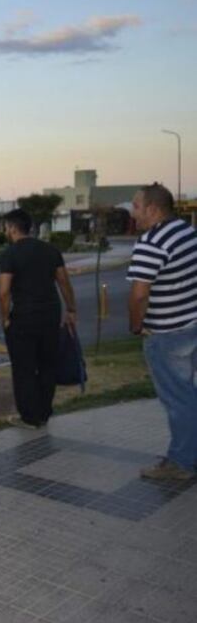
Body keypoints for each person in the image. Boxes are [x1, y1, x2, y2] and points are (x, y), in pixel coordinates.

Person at [127, 183, 197, 480]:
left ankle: (182, 463)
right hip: (191, 324)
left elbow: (139, 294)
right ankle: (187, 452)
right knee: (188, 394)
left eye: (137, 207)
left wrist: (136, 325)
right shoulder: (186, 232)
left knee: (179, 399)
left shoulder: (151, 243)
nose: (133, 213)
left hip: (168, 334)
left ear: (153, 209)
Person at [0, 208, 76, 429]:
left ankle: (29, 417)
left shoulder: (9, 254)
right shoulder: (50, 250)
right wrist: (71, 309)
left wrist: (5, 318)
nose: (5, 231)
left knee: (23, 368)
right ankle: (43, 412)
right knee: (47, 365)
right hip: (50, 315)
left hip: (23, 317)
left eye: (6, 227)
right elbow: (64, 282)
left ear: (12, 228)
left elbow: (3, 291)